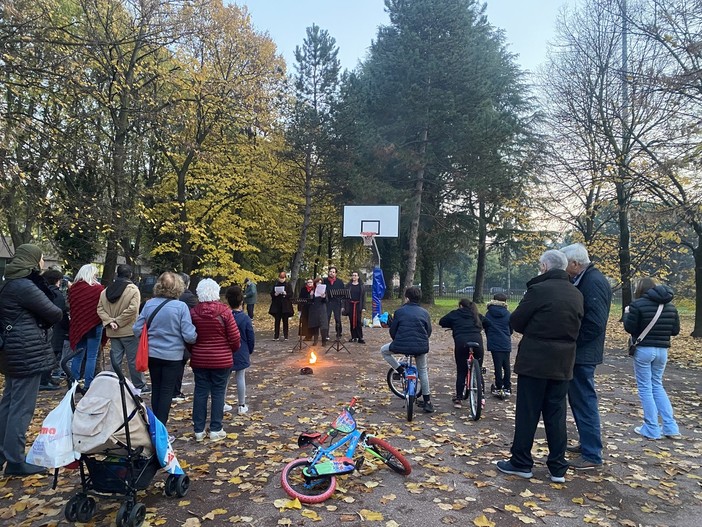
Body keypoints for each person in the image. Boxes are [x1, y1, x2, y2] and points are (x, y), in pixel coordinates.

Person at [497, 250, 583, 483]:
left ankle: (521, 462)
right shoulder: (576, 293)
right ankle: (557, 467)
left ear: (544, 267)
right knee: (556, 413)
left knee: (528, 412)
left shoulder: (538, 290)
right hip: (564, 361)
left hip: (535, 360)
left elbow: (516, 320)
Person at [0, 244, 63, 476]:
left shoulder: (8, 282)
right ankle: (15, 460)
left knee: (8, 402)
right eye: (41, 258)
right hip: (27, 352)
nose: (43, 263)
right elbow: (54, 313)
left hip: (12, 351)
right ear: (32, 260)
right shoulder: (24, 286)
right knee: (21, 407)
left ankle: (3, 453)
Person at [560, 243, 612, 470]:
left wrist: (572, 341)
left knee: (584, 401)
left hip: (583, 353)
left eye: (566, 265)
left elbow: (595, 324)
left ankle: (592, 454)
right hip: (582, 352)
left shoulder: (593, 282)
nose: (564, 270)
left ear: (575, 263)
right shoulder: (586, 280)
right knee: (580, 400)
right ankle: (587, 445)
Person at [133, 272, 197, 426]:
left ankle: (155, 424)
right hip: (173, 356)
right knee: (167, 391)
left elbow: (136, 329)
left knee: (156, 388)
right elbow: (189, 336)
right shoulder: (181, 307)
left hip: (153, 354)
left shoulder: (149, 304)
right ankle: (160, 428)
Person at [623, 278, 681, 440]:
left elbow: (630, 328)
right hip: (662, 351)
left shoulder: (637, 305)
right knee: (657, 385)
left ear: (640, 289)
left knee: (645, 388)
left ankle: (652, 427)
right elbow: (675, 330)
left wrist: (627, 313)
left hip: (644, 350)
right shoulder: (670, 306)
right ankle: (670, 426)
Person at [188, 278, 240, 441]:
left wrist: (194, 351)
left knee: (200, 392)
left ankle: (198, 429)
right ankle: (216, 429)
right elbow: (235, 338)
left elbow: (189, 337)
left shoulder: (193, 312)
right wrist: (229, 350)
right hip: (221, 360)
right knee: (218, 393)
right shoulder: (225, 312)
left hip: (200, 359)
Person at [380, 286, 434, 413]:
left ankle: (400, 370)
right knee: (423, 371)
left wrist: (397, 341)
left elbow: (393, 330)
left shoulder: (399, 312)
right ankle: (427, 401)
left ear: (407, 297)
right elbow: (428, 331)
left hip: (401, 344)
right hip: (420, 347)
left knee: (384, 350)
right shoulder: (425, 313)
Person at [97, 264, 147, 393]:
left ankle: (112, 383)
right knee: (132, 360)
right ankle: (140, 385)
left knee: (115, 359)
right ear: (130, 274)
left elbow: (100, 308)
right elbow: (133, 310)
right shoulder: (133, 290)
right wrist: (118, 322)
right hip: (129, 330)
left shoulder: (106, 291)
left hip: (112, 331)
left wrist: (110, 321)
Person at [439, 298, 484, 409]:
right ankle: (481, 398)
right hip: (477, 343)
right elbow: (488, 323)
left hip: (461, 343)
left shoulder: (455, 314)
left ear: (460, 306)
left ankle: (458, 398)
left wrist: (453, 325)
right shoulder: (476, 315)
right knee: (479, 369)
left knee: (461, 371)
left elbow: (442, 321)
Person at [69, 264, 105, 389]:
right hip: (95, 325)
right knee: (91, 356)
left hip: (78, 326)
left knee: (78, 355)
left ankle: (73, 384)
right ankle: (88, 384)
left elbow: (73, 309)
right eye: (96, 274)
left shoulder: (73, 289)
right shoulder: (98, 289)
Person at [225, 285, 255, 415]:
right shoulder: (245, 318)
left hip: (226, 352)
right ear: (241, 301)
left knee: (224, 379)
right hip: (241, 351)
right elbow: (250, 336)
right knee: (240, 377)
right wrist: (250, 350)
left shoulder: (225, 317)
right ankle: (241, 405)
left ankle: (221, 403)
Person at [39, 268, 67, 390]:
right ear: (57, 280)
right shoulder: (58, 295)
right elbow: (61, 313)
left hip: (45, 328)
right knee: (53, 354)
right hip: (56, 329)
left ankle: (46, 378)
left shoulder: (41, 292)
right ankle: (45, 380)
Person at [482, 292, 513, 397]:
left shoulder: (489, 313)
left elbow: (486, 326)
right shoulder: (507, 313)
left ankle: (499, 386)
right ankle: (507, 386)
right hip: (505, 341)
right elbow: (511, 328)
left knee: (497, 365)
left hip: (494, 341)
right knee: (506, 365)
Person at [173, 272, 198, 401]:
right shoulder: (189, 298)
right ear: (187, 283)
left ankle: (173, 390)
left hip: (170, 332)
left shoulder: (169, 297)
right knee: (180, 362)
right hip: (184, 334)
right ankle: (175, 391)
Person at [268, 271, 294, 341]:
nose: (281, 279)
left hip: (285, 306)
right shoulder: (276, 284)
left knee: (285, 321)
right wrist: (275, 294)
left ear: (285, 278)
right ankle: (276, 336)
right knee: (277, 321)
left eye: (283, 278)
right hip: (277, 305)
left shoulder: (288, 285)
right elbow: (272, 293)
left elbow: (291, 294)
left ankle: (286, 336)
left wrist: (285, 294)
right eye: (280, 278)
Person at [323, 266, 345, 340]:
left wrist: (342, 305)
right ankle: (326, 334)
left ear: (335, 274)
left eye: (333, 272)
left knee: (337, 318)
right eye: (330, 271)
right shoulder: (324, 281)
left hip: (337, 302)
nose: (331, 273)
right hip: (327, 302)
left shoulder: (339, 282)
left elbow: (343, 294)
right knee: (326, 318)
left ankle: (339, 333)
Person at [307, 277, 329, 345]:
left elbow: (326, 301)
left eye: (320, 283)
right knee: (315, 325)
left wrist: (324, 297)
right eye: (317, 283)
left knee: (323, 325)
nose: (319, 284)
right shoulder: (312, 290)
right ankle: (315, 340)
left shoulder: (324, 291)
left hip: (322, 309)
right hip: (314, 309)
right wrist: (311, 296)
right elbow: (309, 301)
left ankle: (324, 341)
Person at [345, 272, 365, 344]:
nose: (354, 276)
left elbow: (363, 297)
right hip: (350, 305)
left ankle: (360, 337)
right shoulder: (348, 285)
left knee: (358, 321)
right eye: (353, 275)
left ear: (358, 277)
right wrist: (344, 306)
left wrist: (363, 307)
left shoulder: (361, 286)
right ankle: (353, 336)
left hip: (358, 305)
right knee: (352, 321)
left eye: (355, 275)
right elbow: (345, 296)